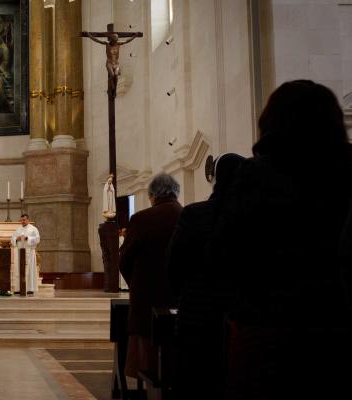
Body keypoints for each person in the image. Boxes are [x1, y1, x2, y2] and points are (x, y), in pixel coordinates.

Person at [207, 80, 352, 399]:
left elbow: (223, 254)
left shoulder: (255, 176)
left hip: (266, 331)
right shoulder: (345, 173)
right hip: (339, 328)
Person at [165, 153, 245, 400]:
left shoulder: (194, 214)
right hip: (238, 315)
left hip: (195, 314)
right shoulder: (249, 217)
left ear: (215, 179)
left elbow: (173, 265)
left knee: (194, 381)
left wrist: (184, 298)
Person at [118, 173, 182, 380]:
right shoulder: (187, 215)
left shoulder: (141, 219)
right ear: (176, 193)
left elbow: (124, 260)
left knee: (148, 363)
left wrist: (137, 284)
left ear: (152, 196)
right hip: (178, 300)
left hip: (147, 300)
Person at [11, 213, 40, 294]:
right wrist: (17, 239)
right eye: (21, 220)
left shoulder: (33, 229)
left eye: (24, 220)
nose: (23, 221)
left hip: (29, 252)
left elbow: (37, 239)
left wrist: (27, 238)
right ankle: (18, 289)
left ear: (28, 220)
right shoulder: (18, 229)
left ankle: (29, 289)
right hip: (19, 252)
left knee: (29, 270)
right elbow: (12, 240)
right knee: (18, 270)